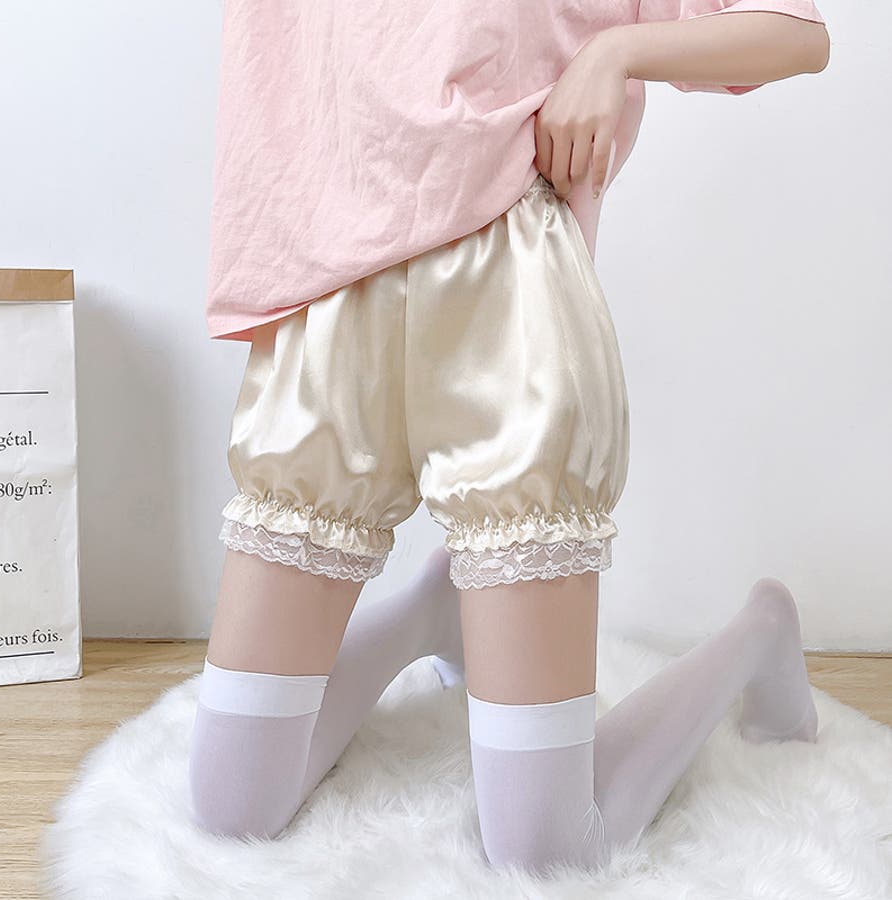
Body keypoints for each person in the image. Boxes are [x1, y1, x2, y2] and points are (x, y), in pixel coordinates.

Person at [188, 0, 831, 876]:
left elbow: (796, 33)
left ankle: (760, 631)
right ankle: (434, 610)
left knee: (544, 851)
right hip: (323, 304)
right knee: (230, 808)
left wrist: (618, 50)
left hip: (508, 298)